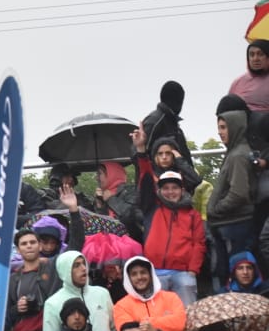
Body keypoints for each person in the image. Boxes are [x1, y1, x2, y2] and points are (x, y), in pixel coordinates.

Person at [132, 127, 207, 308]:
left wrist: (192, 270)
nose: (170, 191)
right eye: (166, 188)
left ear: (182, 190)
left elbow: (199, 244)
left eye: (175, 188)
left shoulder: (192, 214)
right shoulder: (152, 207)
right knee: (159, 321)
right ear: (160, 190)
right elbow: (146, 178)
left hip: (184, 274)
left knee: (187, 320)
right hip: (156, 272)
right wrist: (141, 150)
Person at [208, 110, 257, 286]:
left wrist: (215, 209)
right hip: (232, 226)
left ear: (235, 127)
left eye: (224, 127)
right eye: (218, 127)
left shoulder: (237, 156)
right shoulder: (234, 152)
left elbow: (239, 193)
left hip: (237, 227)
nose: (220, 132)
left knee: (237, 277)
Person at [44, 248, 117, 331]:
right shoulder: (53, 303)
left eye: (84, 263)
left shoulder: (102, 293)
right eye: (76, 265)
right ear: (65, 271)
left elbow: (114, 328)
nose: (83, 268)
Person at [94, 161, 144, 242]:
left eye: (99, 174)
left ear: (111, 174)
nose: (97, 178)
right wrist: (100, 207)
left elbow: (132, 216)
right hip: (110, 245)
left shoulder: (130, 191)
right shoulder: (101, 196)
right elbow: (100, 227)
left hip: (132, 244)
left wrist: (111, 199)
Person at [228, 39, 269, 112]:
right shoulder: (238, 82)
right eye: (252, 55)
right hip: (240, 119)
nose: (255, 59)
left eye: (260, 54)